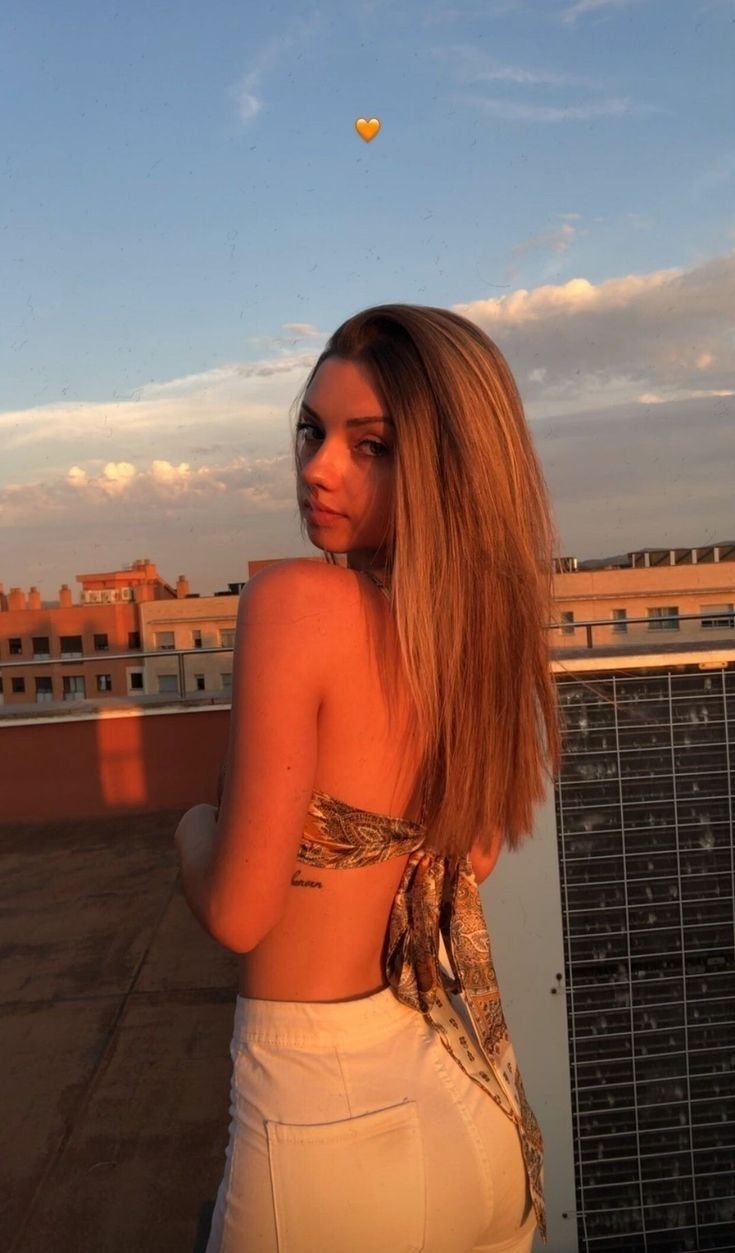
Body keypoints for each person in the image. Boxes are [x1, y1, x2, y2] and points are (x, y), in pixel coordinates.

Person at [175, 303, 562, 1252]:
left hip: (320, 1129)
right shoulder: (476, 644)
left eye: (370, 445)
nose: (317, 467)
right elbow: (465, 862)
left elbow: (237, 911)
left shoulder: (294, 604)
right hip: (462, 1106)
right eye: (313, 431)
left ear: (448, 468)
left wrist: (187, 826)